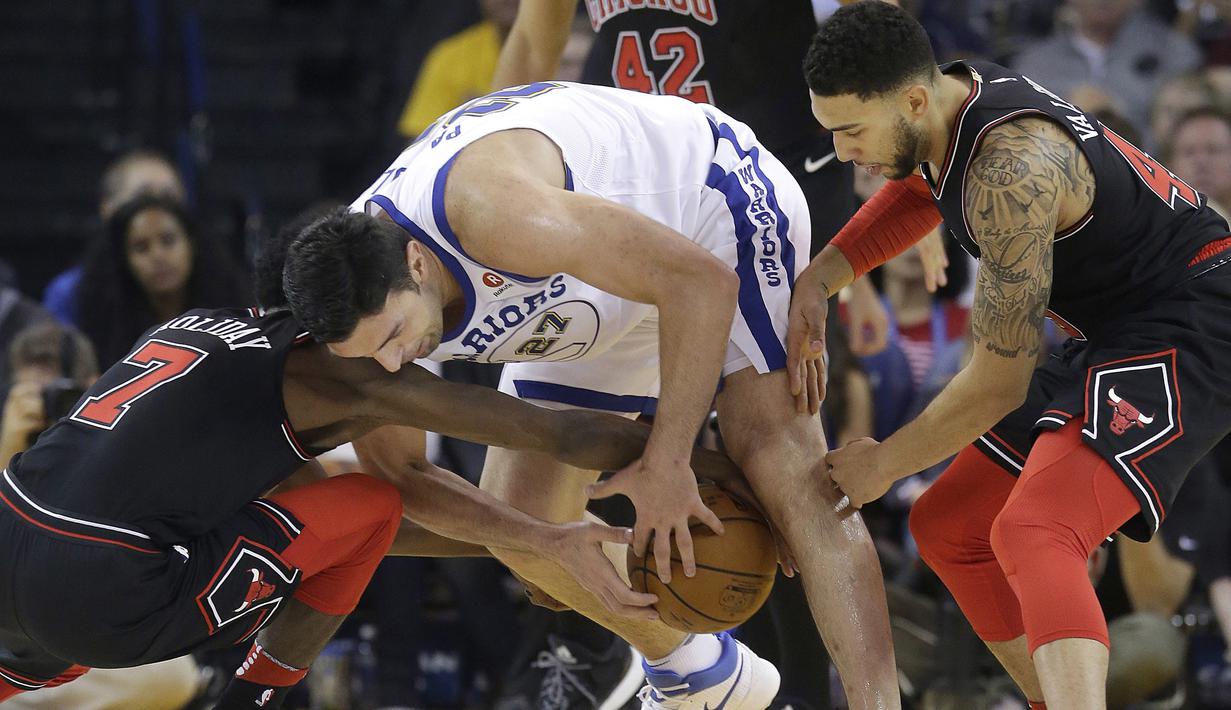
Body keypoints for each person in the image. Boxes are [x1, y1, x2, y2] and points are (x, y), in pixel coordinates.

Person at [281, 79, 897, 709]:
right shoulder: (356, 321)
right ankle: (701, 673)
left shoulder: (490, 209)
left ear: (417, 263)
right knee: (522, 510)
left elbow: (699, 283)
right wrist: (541, 544)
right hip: (588, 291)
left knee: (781, 462)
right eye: (370, 355)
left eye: (394, 335)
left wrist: (669, 462)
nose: (390, 364)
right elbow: (405, 480)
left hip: (702, 212)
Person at [790, 3, 1231, 708]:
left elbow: (996, 385)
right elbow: (919, 187)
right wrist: (825, 275)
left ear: (910, 99)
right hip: (1115, 329)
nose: (842, 153)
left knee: (1035, 529)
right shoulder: (950, 102)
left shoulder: (1010, 166)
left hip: (1193, 321)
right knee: (948, 527)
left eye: (849, 130)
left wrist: (883, 464)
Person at [0, 302, 759, 710]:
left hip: (15, 536)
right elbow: (552, 432)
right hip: (99, 592)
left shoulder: (194, 328)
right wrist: (727, 476)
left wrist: (546, 542)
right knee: (366, 499)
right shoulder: (361, 374)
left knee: (345, 510)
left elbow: (326, 538)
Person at [74, 194, 252, 367]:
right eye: (141, 247)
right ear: (124, 260)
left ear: (192, 244)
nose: (157, 256)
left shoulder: (236, 315)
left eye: (168, 241)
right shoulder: (107, 329)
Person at [42, 150, 187, 324]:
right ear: (107, 209)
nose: (156, 209)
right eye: (143, 197)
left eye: (168, 197)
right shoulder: (72, 293)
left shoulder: (219, 285)